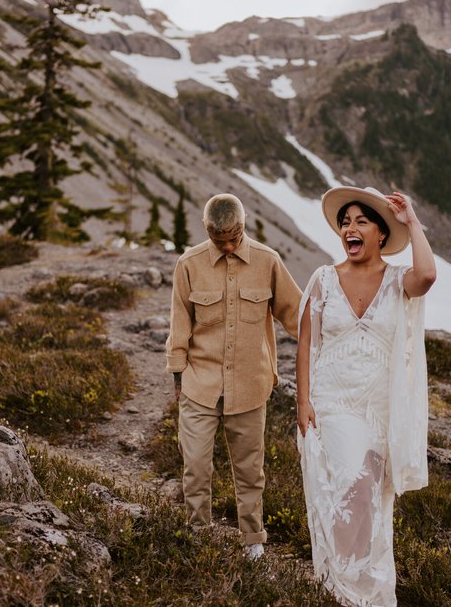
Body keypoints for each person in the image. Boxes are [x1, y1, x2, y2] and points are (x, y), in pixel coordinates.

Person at [296, 187, 436, 606]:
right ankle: (344, 591)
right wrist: (303, 402)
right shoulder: (323, 279)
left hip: (378, 411)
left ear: (380, 234)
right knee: (344, 494)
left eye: (360, 221)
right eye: (345, 222)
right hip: (332, 404)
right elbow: (305, 343)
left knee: (370, 504)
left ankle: (364, 592)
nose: (349, 228)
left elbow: (427, 275)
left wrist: (412, 219)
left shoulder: (398, 281)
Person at [166, 193, 302, 560]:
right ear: (207, 230)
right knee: (194, 465)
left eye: (235, 237)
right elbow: (179, 325)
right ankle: (198, 534)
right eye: (219, 239)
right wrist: (178, 378)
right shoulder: (188, 264)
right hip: (200, 384)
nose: (227, 245)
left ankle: (253, 541)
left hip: (249, 385)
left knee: (249, 471)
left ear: (244, 225)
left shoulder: (268, 261)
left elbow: (298, 317)